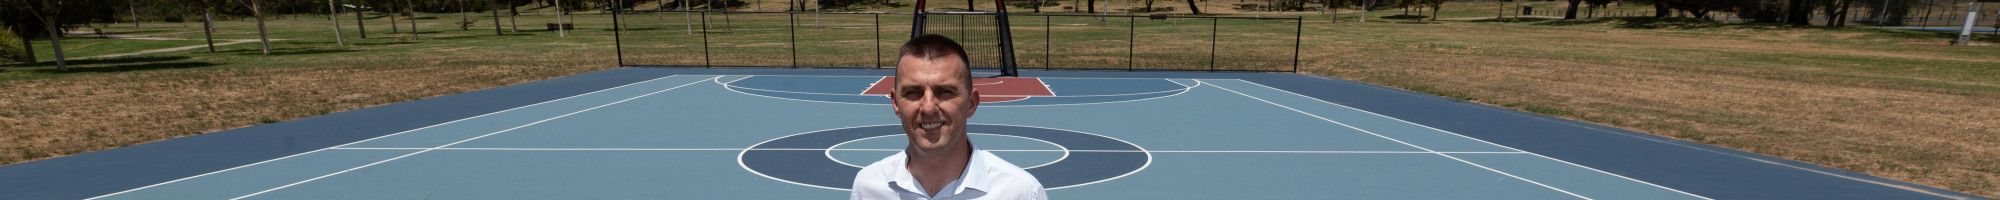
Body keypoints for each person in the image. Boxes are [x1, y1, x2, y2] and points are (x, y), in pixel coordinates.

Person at [850, 35, 1047, 200]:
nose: (928, 108)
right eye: (913, 92)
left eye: (944, 92)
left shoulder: (1021, 192)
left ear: (971, 103)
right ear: (895, 103)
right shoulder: (868, 188)